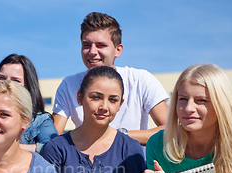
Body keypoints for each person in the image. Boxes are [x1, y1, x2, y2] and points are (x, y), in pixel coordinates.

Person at [52, 12, 169, 145]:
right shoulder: (68, 85)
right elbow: (54, 136)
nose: (92, 51)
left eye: (100, 45)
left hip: (134, 164)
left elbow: (171, 130)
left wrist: (118, 136)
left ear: (118, 50)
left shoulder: (141, 80)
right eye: (86, 45)